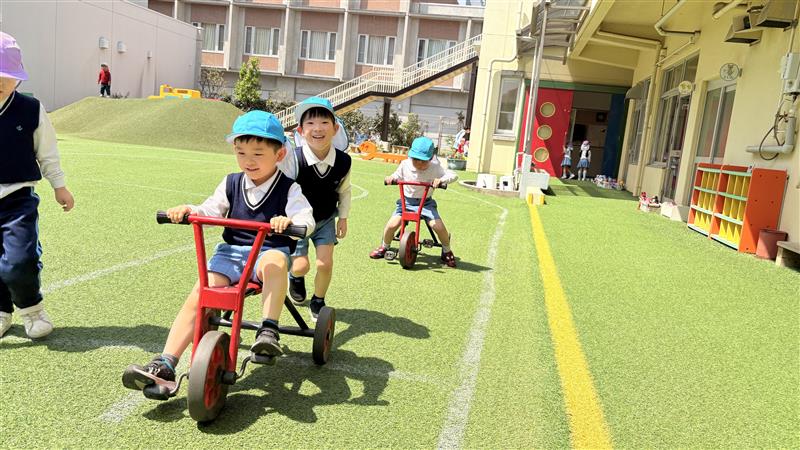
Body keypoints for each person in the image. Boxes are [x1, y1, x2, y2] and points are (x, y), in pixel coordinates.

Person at [122, 110, 315, 392]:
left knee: (275, 262)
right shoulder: (231, 183)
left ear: (280, 154)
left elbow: (305, 219)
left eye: (258, 154)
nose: (249, 161)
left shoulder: (289, 189)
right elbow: (209, 210)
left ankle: (268, 330)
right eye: (241, 153)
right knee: (201, 293)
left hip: (267, 251)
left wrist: (289, 222)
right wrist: (188, 210)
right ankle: (166, 363)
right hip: (231, 255)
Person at [0, 32, 75, 340]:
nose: (1, 81)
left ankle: (32, 309)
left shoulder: (31, 109)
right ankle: (2, 311)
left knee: (19, 261)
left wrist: (59, 185)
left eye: (6, 75)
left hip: (17, 199)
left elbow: (47, 152)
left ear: (18, 77)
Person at [279, 97, 352, 323]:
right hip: (298, 221)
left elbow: (344, 190)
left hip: (325, 219)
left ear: (335, 128)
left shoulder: (344, 161)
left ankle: (318, 300)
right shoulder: (294, 158)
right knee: (301, 266)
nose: (317, 128)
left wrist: (343, 218)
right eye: (310, 123)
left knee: (325, 263)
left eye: (324, 122)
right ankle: (295, 277)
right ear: (301, 131)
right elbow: (283, 189)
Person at [369, 136, 458, 268]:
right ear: (411, 157)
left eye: (424, 161)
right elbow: (397, 175)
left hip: (426, 204)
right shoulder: (405, 164)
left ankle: (447, 250)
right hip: (406, 203)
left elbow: (453, 175)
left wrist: (441, 180)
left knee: (438, 227)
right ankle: (384, 246)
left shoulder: (435, 167)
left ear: (430, 158)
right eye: (416, 160)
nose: (420, 164)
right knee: (391, 225)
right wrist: (391, 178)